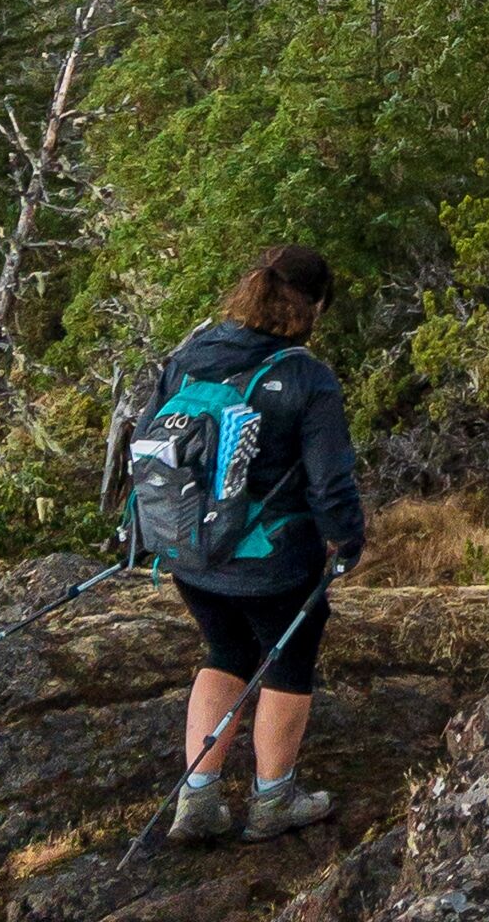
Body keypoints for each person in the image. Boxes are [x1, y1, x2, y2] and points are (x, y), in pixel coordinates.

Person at [153, 245, 366, 845]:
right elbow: (330, 481)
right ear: (316, 306)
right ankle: (273, 801)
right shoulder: (307, 376)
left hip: (190, 550)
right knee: (288, 664)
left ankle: (196, 802)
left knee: (225, 651)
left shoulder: (192, 353)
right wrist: (346, 542)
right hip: (273, 559)